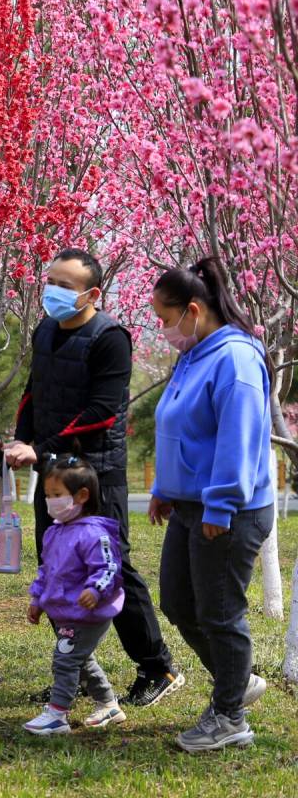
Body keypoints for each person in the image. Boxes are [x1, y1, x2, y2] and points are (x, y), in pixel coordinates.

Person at [6, 248, 181, 706]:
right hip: (52, 474)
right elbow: (33, 393)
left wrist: (40, 449)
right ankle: (76, 669)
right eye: (51, 281)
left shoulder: (110, 338)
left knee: (111, 567)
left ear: (92, 293)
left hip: (96, 473)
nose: (53, 292)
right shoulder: (44, 329)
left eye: (65, 286)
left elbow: (101, 413)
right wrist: (20, 441)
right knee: (59, 564)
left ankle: (157, 666)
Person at [148, 257, 273, 753]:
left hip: (228, 511)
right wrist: (165, 486)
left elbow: (235, 442)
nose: (163, 329)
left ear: (194, 310)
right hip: (188, 504)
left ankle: (230, 716)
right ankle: (235, 680)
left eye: (165, 318)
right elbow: (179, 425)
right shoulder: (194, 353)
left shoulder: (236, 360)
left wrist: (219, 508)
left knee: (221, 612)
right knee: (178, 601)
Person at [24, 456, 127, 735]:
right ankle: (109, 705)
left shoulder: (94, 534)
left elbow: (108, 567)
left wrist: (95, 590)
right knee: (81, 659)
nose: (50, 501)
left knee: (66, 659)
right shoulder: (55, 532)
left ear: (82, 496)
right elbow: (47, 570)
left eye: (57, 495)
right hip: (65, 612)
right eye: (47, 495)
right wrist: (38, 599)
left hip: (89, 613)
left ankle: (57, 714)